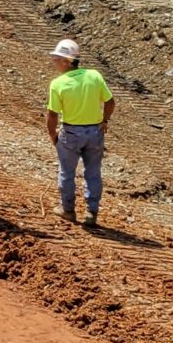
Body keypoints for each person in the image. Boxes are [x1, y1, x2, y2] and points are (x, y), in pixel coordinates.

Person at [45, 38, 115, 226]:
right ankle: (91, 212)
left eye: (57, 58)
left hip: (71, 134)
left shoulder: (58, 84)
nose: (54, 61)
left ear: (67, 61)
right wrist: (104, 120)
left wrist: (53, 135)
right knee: (93, 172)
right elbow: (110, 102)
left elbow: (52, 115)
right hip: (95, 132)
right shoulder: (94, 76)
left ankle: (68, 209)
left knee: (67, 172)